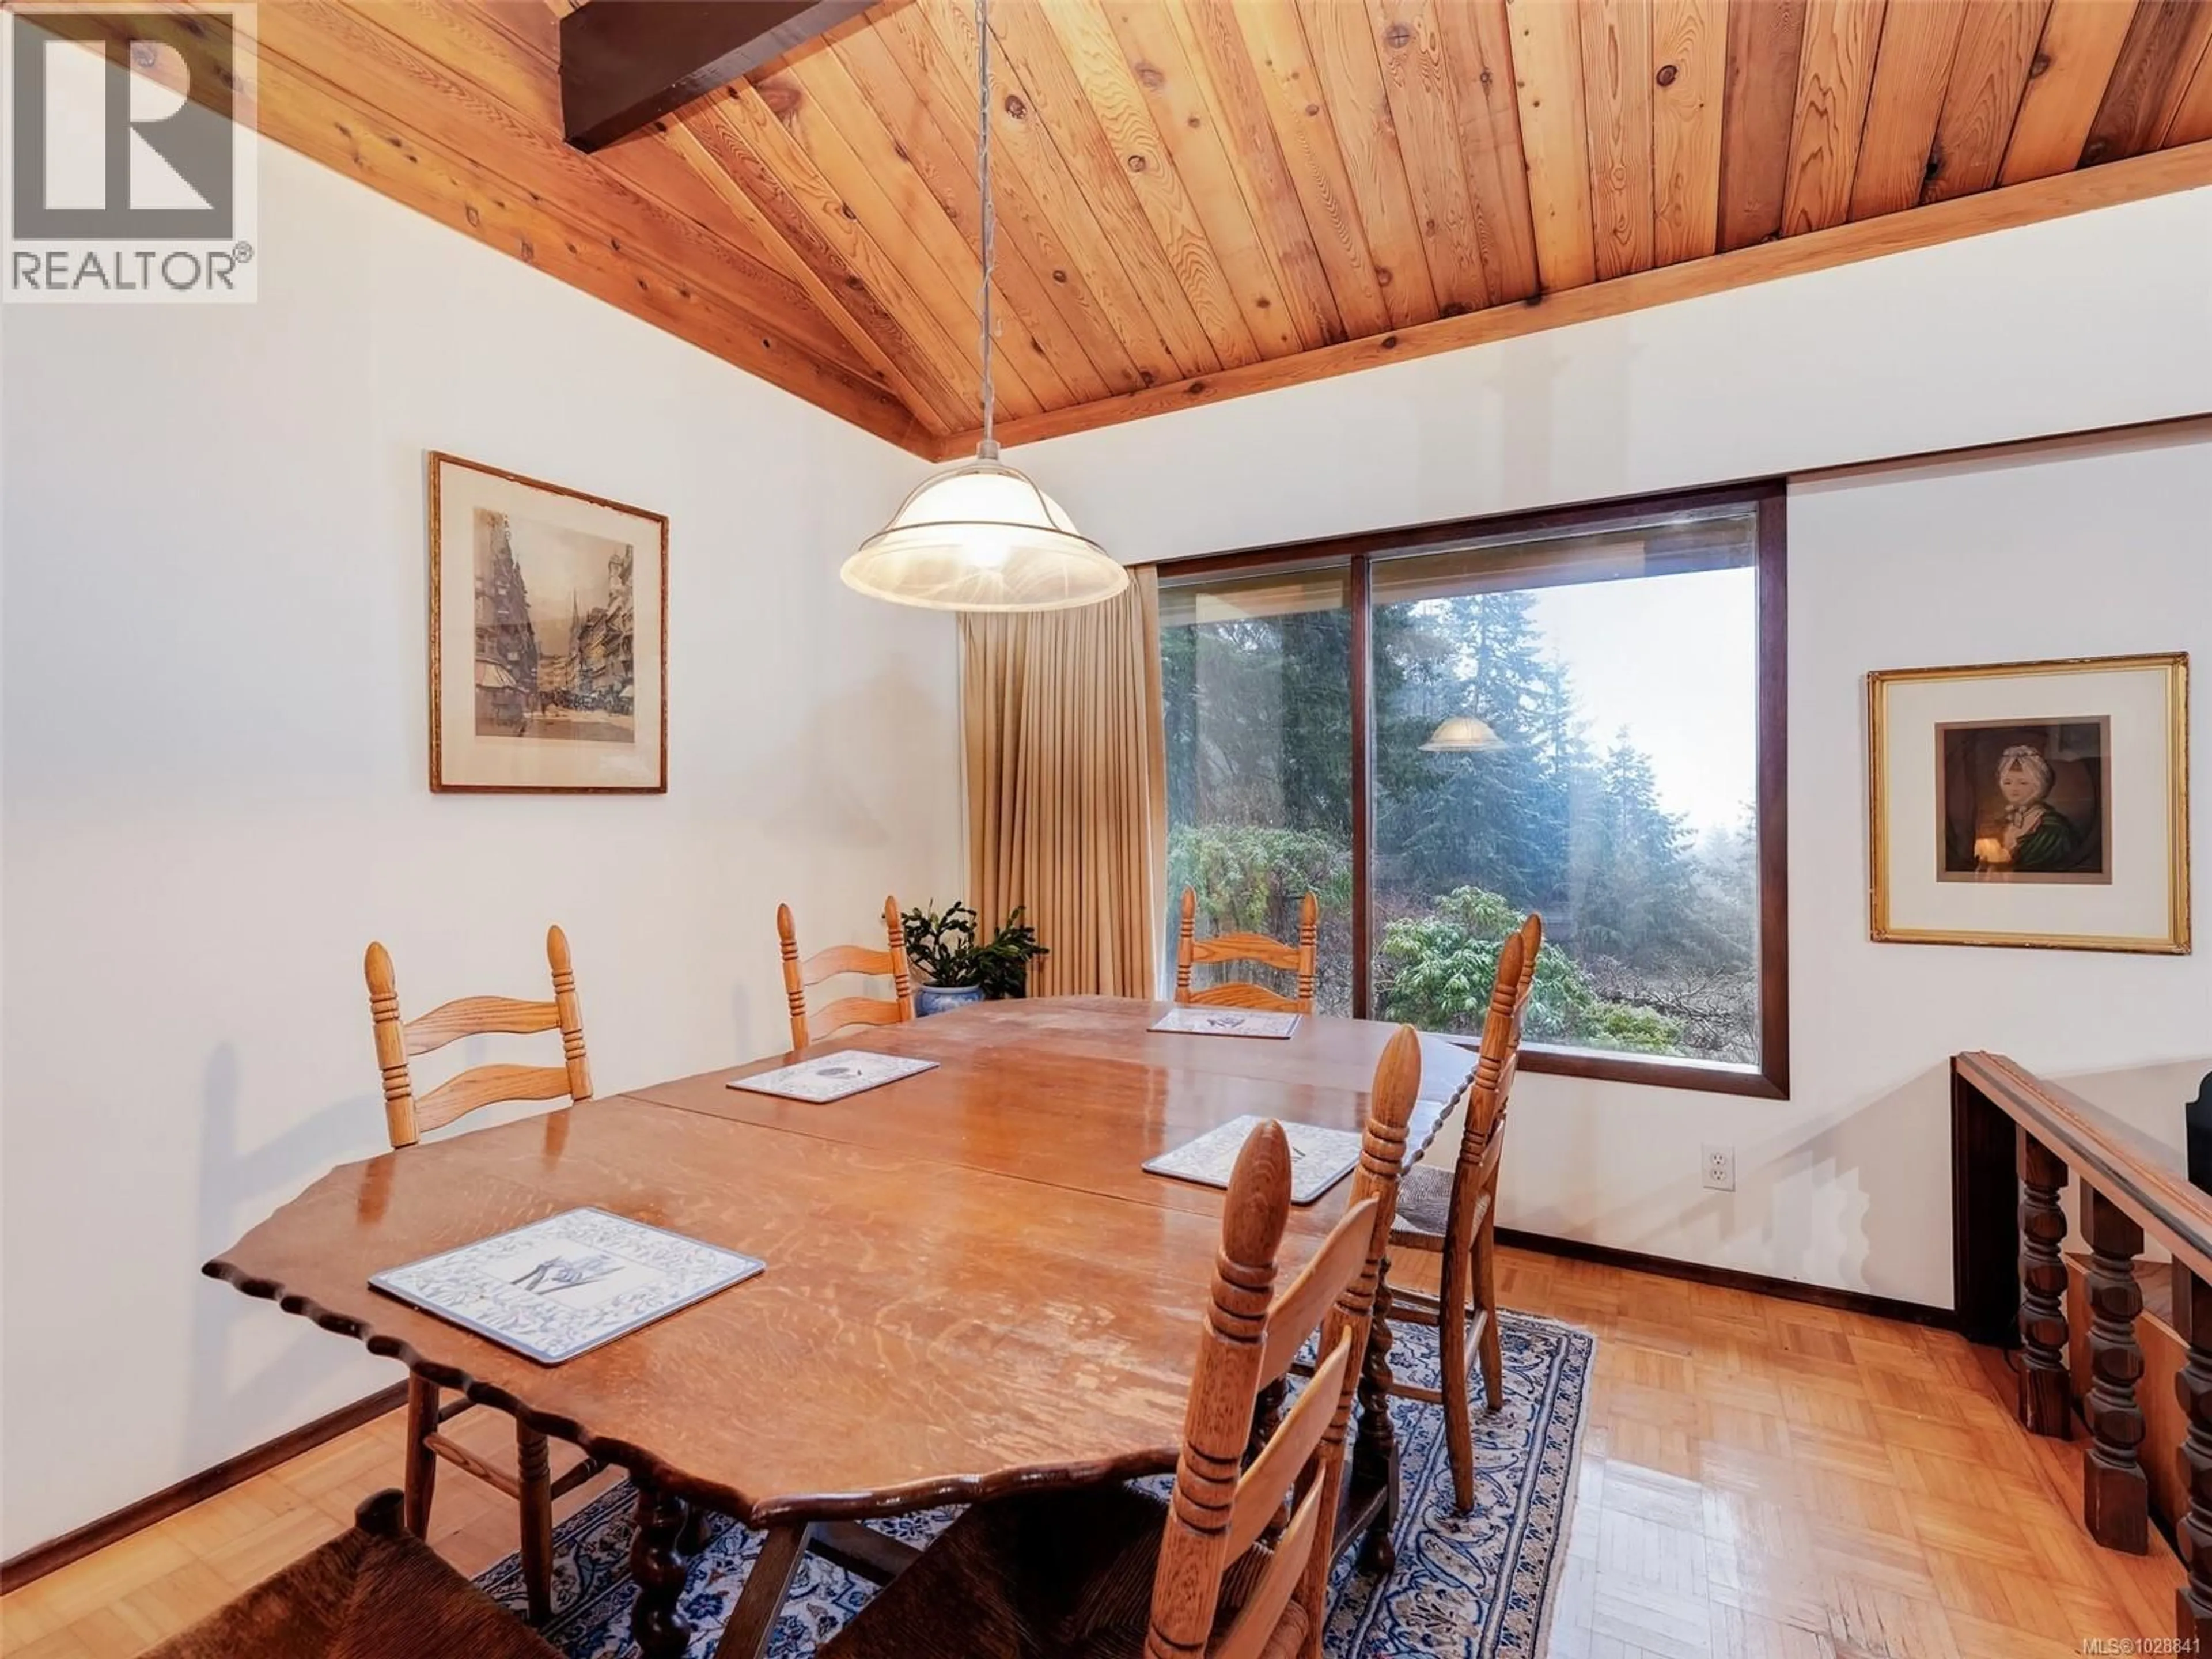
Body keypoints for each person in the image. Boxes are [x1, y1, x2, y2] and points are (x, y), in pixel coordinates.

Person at [1979, 744, 2080, 873]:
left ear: (2039, 785)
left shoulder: (2055, 831)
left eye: (2023, 783)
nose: (2014, 788)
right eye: (2008, 782)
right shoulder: (2002, 822)